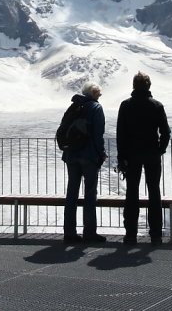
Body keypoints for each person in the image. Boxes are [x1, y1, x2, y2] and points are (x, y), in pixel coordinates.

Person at [116, 71, 171, 245]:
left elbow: (121, 134)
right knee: (154, 192)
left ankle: (130, 233)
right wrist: (160, 149)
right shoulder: (156, 105)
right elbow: (165, 132)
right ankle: (155, 234)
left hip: (132, 155)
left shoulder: (125, 105)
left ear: (134, 85)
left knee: (132, 192)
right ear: (149, 86)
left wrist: (121, 156)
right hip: (152, 154)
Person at [61, 82, 108, 243]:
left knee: (72, 193)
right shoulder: (96, 108)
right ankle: (89, 232)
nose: (100, 96)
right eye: (99, 93)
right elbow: (98, 134)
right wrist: (101, 154)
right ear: (94, 93)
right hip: (89, 156)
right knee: (90, 194)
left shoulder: (73, 107)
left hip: (71, 155)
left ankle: (69, 231)